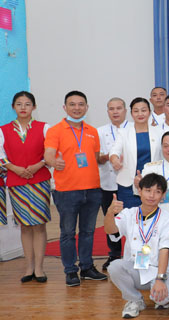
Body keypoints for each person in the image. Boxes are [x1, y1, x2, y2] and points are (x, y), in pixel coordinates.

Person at [44, 91, 108, 286]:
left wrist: (108, 158)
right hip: (67, 191)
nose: (77, 108)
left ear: (87, 107)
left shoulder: (92, 131)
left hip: (92, 189)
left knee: (88, 232)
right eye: (72, 104)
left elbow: (94, 158)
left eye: (81, 104)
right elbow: (48, 154)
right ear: (65, 107)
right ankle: (70, 270)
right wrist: (53, 162)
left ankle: (87, 267)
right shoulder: (55, 131)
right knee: (68, 233)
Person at [104, 173, 169, 318]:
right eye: (148, 190)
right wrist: (109, 213)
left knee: (161, 299)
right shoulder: (129, 214)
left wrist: (160, 279)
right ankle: (135, 300)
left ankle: (163, 292)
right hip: (136, 269)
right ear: (139, 191)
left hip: (159, 270)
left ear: (163, 195)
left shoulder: (168, 219)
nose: (152, 195)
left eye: (157, 192)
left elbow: (165, 250)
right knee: (114, 266)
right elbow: (110, 230)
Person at [0, 91, 51, 282]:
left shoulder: (44, 127)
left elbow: (51, 151)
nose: (23, 107)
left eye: (27, 104)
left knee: (39, 225)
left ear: (34, 107)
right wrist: (15, 169)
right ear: (13, 107)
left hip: (40, 181)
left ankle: (39, 268)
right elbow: (1, 155)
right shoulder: (3, 130)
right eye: (19, 104)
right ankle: (28, 267)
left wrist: (38, 165)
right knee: (25, 226)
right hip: (16, 182)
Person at [110, 97, 162, 209]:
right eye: (136, 111)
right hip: (128, 184)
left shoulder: (159, 132)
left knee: (153, 216)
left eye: (143, 110)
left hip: (154, 184)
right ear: (131, 113)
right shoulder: (124, 133)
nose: (140, 114)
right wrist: (115, 160)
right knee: (129, 216)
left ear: (149, 112)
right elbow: (114, 151)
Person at [97, 97, 128, 269]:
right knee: (110, 219)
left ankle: (133, 255)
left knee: (134, 220)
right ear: (107, 111)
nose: (115, 112)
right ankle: (114, 254)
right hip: (108, 183)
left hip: (130, 184)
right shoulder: (100, 131)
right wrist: (108, 156)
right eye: (111, 109)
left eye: (119, 108)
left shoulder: (133, 128)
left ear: (125, 110)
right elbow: (96, 158)